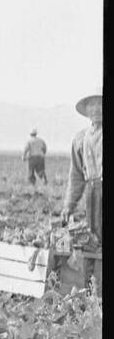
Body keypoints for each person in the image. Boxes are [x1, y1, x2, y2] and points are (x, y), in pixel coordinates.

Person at [62, 91, 102, 247]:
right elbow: (76, 176)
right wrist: (68, 205)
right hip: (93, 193)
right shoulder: (80, 138)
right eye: (92, 105)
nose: (96, 108)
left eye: (100, 103)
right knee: (95, 239)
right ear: (86, 110)